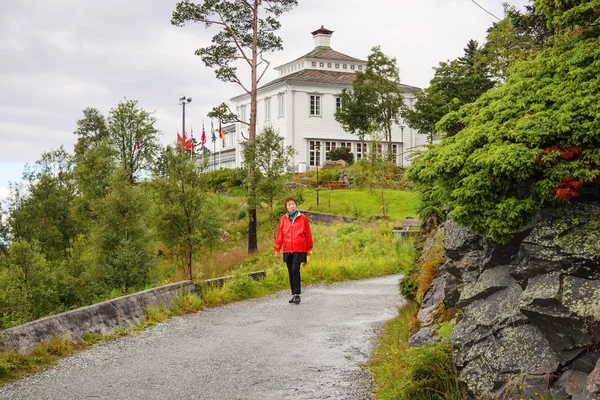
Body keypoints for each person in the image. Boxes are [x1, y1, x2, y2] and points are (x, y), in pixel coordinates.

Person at [274, 197, 313, 304]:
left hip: (299, 248)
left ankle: (297, 295)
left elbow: (308, 234)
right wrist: (277, 248)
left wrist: (309, 248)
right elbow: (280, 235)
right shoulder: (283, 219)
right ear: (286, 207)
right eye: (289, 205)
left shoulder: (303, 218)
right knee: (291, 271)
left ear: (296, 205)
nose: (292, 206)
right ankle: (294, 294)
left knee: (295, 269)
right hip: (287, 249)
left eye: (293, 204)